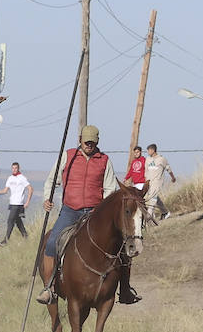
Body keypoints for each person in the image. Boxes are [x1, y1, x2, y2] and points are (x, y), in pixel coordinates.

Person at [34, 125, 140, 306]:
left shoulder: (104, 160)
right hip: (70, 210)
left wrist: (103, 211)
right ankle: (49, 287)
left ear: (97, 142)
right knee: (51, 243)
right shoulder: (68, 156)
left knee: (122, 247)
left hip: (94, 213)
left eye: (92, 142)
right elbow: (52, 180)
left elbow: (109, 188)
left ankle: (125, 289)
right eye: (86, 142)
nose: (89, 145)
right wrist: (47, 198)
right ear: (80, 140)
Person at [0, 161, 32, 245]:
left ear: (18, 168)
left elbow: (30, 188)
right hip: (12, 203)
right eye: (13, 168)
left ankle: (6, 240)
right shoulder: (10, 178)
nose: (14, 170)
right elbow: (5, 190)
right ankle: (25, 236)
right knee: (18, 221)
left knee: (10, 220)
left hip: (19, 203)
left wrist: (27, 201)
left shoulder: (22, 178)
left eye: (16, 168)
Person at [144, 143, 176, 221]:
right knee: (154, 198)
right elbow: (146, 171)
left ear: (153, 150)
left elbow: (168, 169)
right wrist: (146, 181)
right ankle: (165, 212)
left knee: (152, 199)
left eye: (148, 150)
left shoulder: (162, 159)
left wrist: (173, 177)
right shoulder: (147, 159)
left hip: (157, 182)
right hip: (149, 182)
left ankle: (148, 217)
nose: (147, 152)